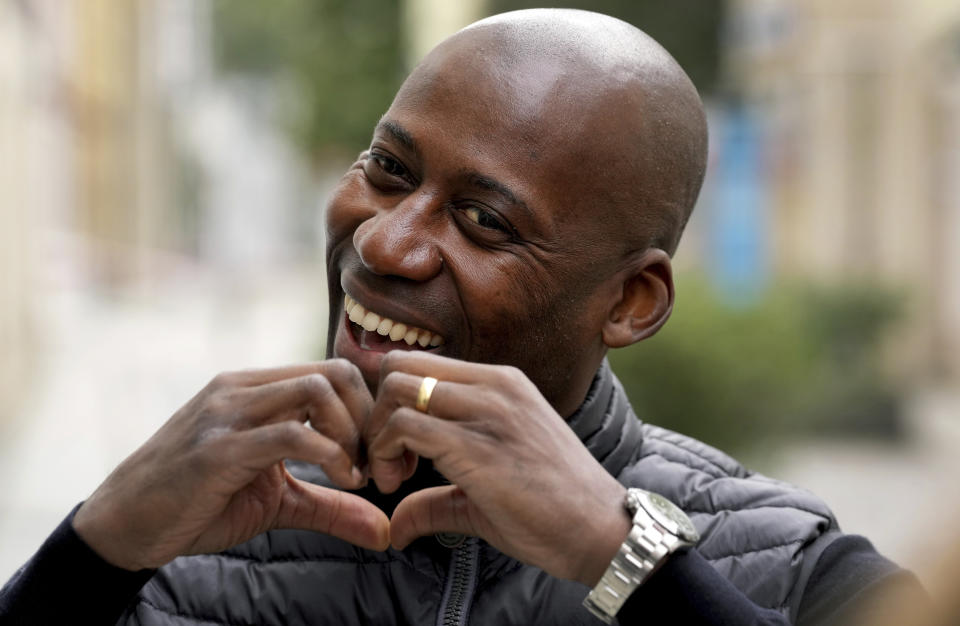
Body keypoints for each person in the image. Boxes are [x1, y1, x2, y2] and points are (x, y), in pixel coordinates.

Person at [0, 8, 922, 625]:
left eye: (486, 221)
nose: (387, 245)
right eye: (389, 171)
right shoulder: (184, 534)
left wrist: (626, 562)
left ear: (630, 303)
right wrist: (91, 550)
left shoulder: (787, 568)